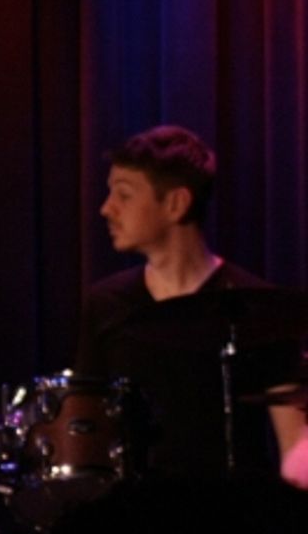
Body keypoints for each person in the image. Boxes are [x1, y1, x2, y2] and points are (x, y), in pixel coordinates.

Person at [74, 124, 306, 481]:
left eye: (124, 195)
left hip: (233, 522)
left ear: (176, 203)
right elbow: (83, 432)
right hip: (132, 521)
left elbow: (295, 446)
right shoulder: (106, 303)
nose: (106, 209)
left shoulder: (261, 310)